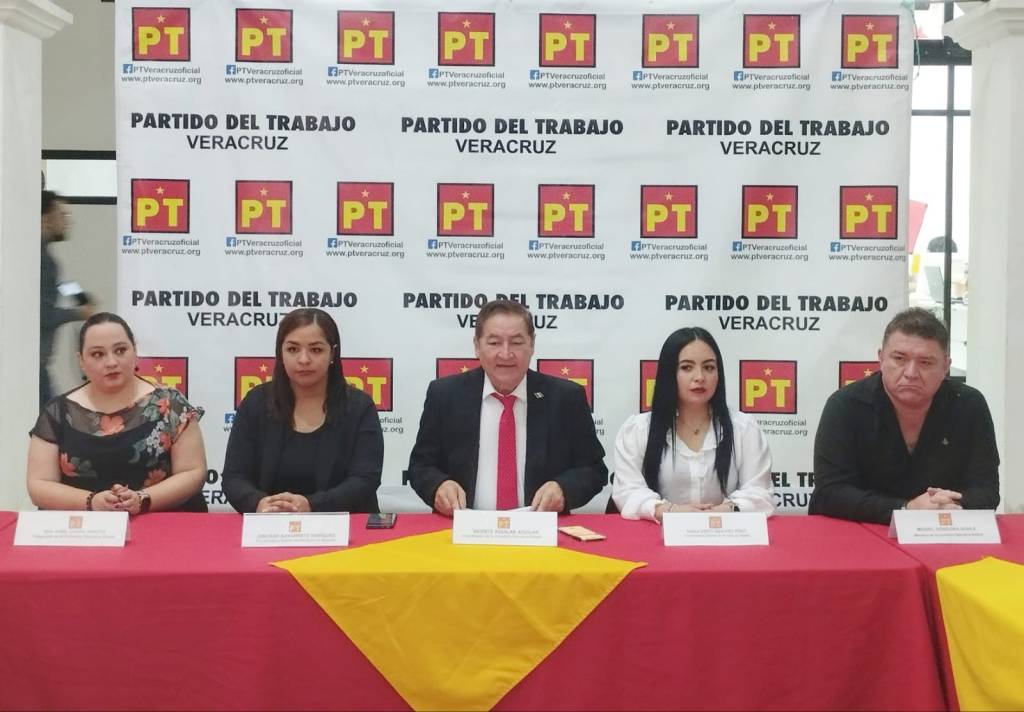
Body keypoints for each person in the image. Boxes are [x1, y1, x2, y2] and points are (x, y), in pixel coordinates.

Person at [408, 299, 607, 515]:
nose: (505, 354)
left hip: (540, 528)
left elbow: (593, 469)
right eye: (494, 343)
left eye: (516, 342)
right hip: (463, 527)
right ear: (477, 346)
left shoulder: (566, 398)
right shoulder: (445, 395)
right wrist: (438, 485)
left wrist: (564, 489)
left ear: (532, 344)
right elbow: (421, 466)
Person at [810, 307, 999, 524]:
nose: (911, 373)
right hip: (860, 531)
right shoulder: (845, 405)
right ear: (881, 358)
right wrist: (906, 509)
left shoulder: (969, 405)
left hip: (942, 529)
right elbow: (830, 492)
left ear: (946, 366)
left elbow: (987, 491)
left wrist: (951, 505)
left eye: (925, 362)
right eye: (899, 359)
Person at [27, 312, 207, 513]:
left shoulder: (171, 404)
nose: (111, 362)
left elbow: (193, 472)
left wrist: (143, 499)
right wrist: (91, 502)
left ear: (135, 351)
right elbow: (39, 485)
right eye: (98, 354)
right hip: (85, 526)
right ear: (81, 360)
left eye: (120, 350)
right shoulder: (58, 412)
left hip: (161, 521)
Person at [222, 308, 383, 513]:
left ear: (332, 354)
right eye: (293, 349)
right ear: (280, 353)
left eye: (316, 350)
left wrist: (311, 505)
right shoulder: (256, 402)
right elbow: (234, 477)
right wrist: (260, 503)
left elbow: (365, 479)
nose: (304, 359)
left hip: (345, 525)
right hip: (270, 523)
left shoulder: (359, 407)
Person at [612, 327, 774, 521]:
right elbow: (629, 491)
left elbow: (759, 492)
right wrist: (668, 511)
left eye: (709, 368)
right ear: (668, 373)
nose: (700, 377)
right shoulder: (638, 430)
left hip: (725, 531)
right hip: (658, 532)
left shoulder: (744, 428)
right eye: (687, 367)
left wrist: (724, 511)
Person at [40, 191, 93, 405]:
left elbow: (57, 284)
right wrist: (78, 312)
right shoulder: (43, 260)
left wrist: (80, 296)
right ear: (45, 218)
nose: (67, 221)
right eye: (62, 214)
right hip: (34, 366)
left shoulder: (42, 256)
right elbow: (42, 314)